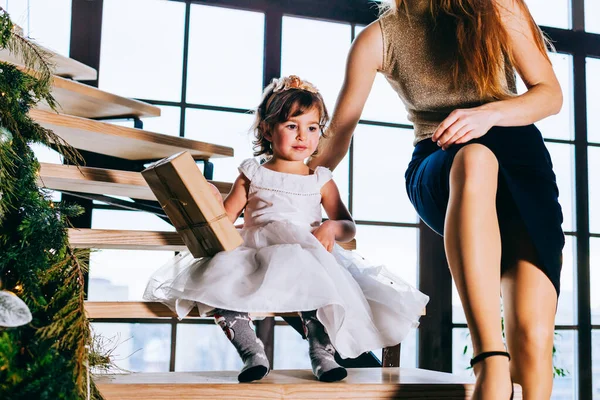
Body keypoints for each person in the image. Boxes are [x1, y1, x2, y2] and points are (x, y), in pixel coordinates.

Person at [308, 1, 564, 399]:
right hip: (442, 163)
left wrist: (489, 114)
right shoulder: (378, 37)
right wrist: (275, 188)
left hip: (521, 166)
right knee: (476, 157)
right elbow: (334, 142)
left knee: (532, 337)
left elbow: (549, 96)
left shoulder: (499, 7)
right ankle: (490, 360)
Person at [144, 75, 429, 383]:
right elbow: (225, 218)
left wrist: (332, 227)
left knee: (323, 289)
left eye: (312, 128)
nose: (302, 136)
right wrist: (210, 200)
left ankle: (323, 354)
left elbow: (348, 226)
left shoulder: (320, 178)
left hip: (306, 251)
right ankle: (252, 352)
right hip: (256, 251)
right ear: (267, 129)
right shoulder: (252, 173)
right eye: (292, 126)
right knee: (221, 288)